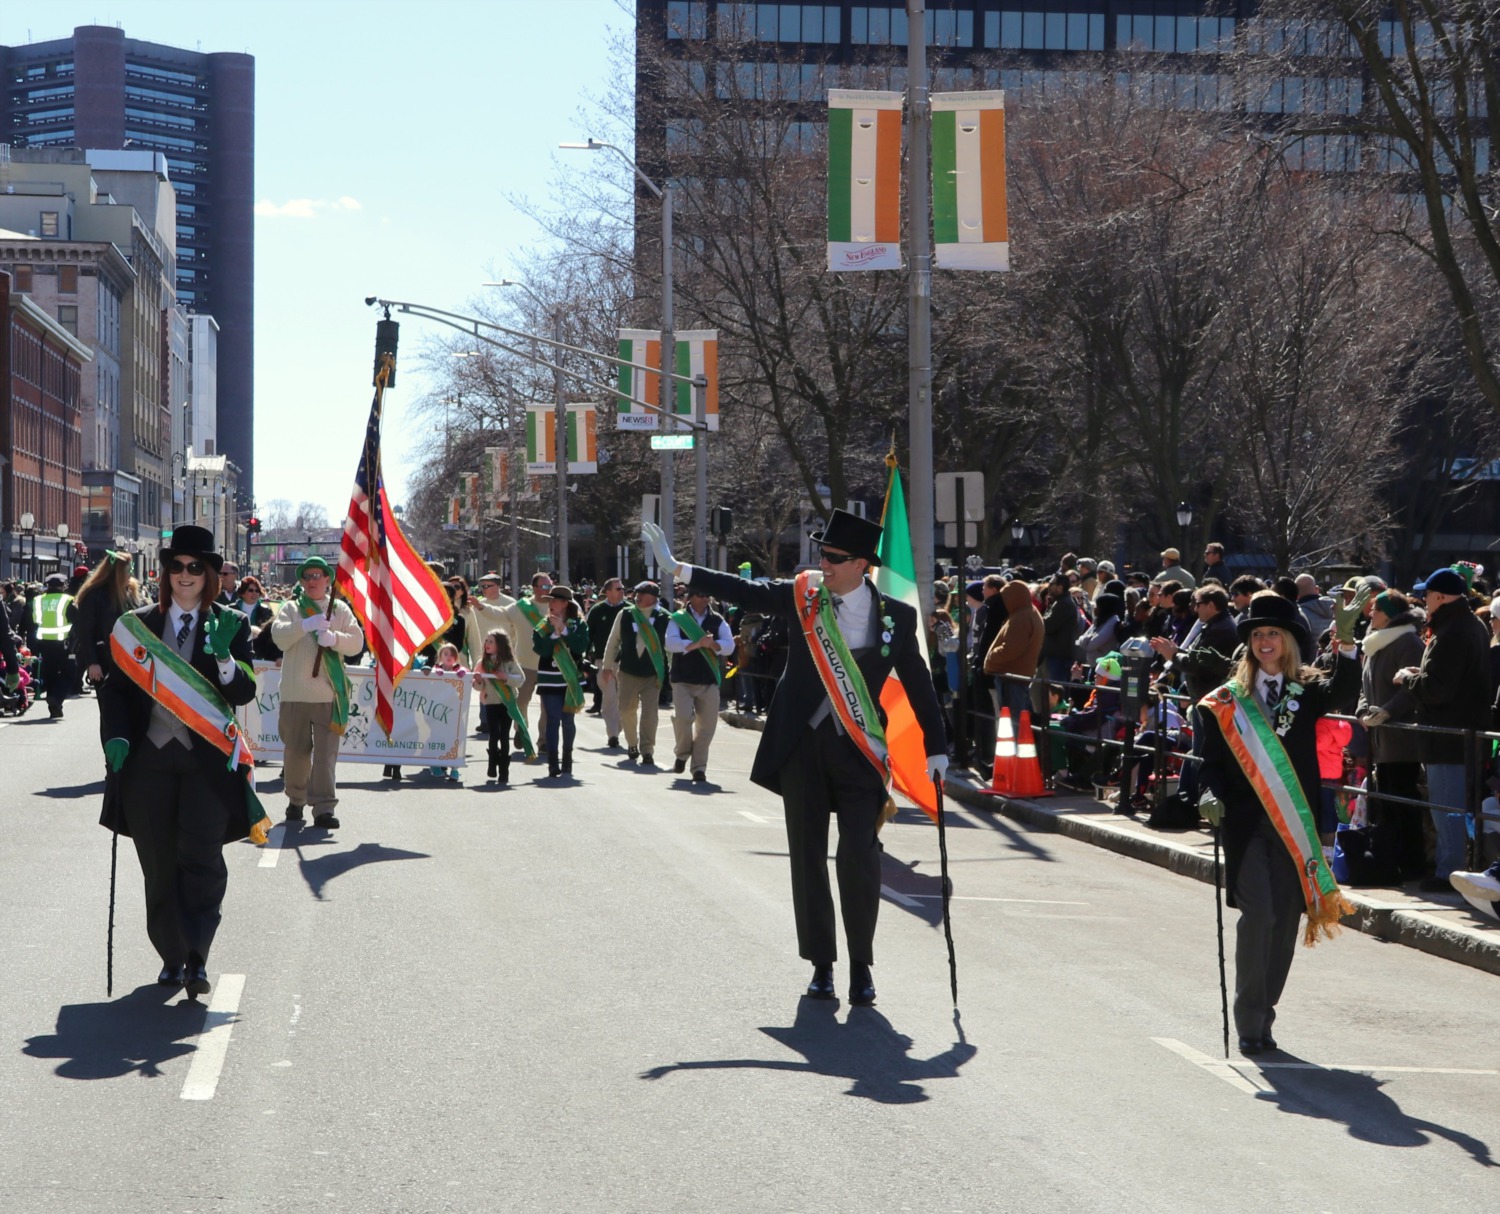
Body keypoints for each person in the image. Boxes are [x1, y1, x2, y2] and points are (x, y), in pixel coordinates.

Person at [644, 510, 948, 1007]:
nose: (822, 564)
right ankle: (822, 966)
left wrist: (937, 747)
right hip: (802, 747)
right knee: (808, 859)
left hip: (859, 750)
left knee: (860, 857)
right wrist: (679, 568)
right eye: (821, 554)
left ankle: (861, 966)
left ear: (861, 565)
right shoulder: (804, 595)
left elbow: (918, 682)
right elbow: (746, 591)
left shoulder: (897, 616)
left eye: (832, 557)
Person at [1197, 589, 1364, 1056]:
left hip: (1294, 827)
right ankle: (1249, 1021)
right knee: (1260, 917)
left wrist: (1347, 644)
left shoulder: (1306, 691)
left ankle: (1265, 1013)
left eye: (1273, 633)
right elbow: (1208, 763)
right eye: (1257, 634)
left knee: (1285, 921)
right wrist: (1208, 793)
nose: (1264, 641)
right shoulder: (1225, 702)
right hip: (1248, 827)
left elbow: (1346, 693)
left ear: (1289, 640)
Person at [98, 524, 261, 998]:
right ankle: (171, 956)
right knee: (158, 863)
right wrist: (117, 738)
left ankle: (197, 956)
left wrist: (226, 656)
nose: (184, 575)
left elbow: (244, 689)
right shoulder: (137, 626)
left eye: (195, 567)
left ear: (210, 574)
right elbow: (114, 693)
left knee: (203, 859)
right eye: (176, 567)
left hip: (205, 765)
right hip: (148, 762)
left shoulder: (230, 623)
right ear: (165, 573)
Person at [1393, 567, 1494, 891]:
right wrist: (1418, 674)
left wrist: (1408, 679)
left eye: (1427, 594)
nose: (1423, 600)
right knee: (1452, 807)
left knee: (1447, 807)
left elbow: (1438, 689)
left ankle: (1450, 873)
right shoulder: (1467, 624)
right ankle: (1453, 869)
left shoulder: (1453, 630)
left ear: (1438, 597)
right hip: (1458, 733)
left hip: (1450, 736)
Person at [270, 556, 364, 829]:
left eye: (317, 576)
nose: (312, 581)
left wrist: (334, 639)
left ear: (327, 580)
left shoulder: (340, 609)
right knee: (296, 752)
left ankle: (323, 808)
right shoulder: (292, 608)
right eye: (307, 576)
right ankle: (296, 800)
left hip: (328, 695)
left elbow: (356, 643)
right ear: (301, 581)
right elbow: (278, 636)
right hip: (295, 694)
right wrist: (306, 626)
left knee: (325, 756)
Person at [1354, 590, 1428, 882]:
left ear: (1388, 613)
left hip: (1401, 738)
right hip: (1380, 737)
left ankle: (1412, 863)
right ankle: (1390, 859)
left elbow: (1410, 689)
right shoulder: (1377, 643)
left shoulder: (1407, 641)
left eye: (1375, 610)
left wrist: (1385, 712)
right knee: (1386, 802)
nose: (1370, 614)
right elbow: (1364, 686)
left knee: (1403, 802)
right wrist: (1362, 712)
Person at [665, 585, 734, 783]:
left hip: (708, 680)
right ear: (690, 597)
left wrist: (713, 645)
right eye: (700, 595)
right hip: (683, 679)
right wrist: (697, 644)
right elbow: (670, 643)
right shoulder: (678, 618)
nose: (704, 599)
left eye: (707, 595)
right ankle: (682, 753)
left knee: (707, 727)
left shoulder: (717, 620)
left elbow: (729, 646)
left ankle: (699, 768)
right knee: (683, 719)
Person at [600, 581, 671, 766]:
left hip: (652, 673)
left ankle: (647, 750)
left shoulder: (665, 617)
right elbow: (613, 641)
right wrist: (607, 666)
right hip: (628, 671)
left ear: (653, 597)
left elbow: (670, 649)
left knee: (650, 713)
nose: (637, 596)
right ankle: (632, 744)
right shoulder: (625, 614)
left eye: (643, 593)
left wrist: (671, 672)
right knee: (626, 709)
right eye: (637, 592)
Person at [531, 585, 590, 778]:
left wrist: (564, 631)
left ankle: (567, 759)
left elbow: (581, 646)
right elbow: (541, 650)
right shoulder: (542, 625)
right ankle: (552, 762)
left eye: (555, 600)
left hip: (570, 678)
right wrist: (554, 634)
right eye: (550, 600)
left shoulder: (578, 624)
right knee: (553, 720)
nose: (551, 604)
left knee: (568, 720)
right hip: (549, 679)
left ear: (565, 603)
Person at [70, 549, 143, 691]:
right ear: (117, 572)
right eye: (128, 570)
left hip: (132, 659)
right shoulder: (93, 595)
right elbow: (86, 632)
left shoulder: (130, 594)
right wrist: (92, 662)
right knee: (109, 708)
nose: (130, 574)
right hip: (105, 660)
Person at [983, 578, 1044, 722]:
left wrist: (990, 657)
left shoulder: (1021, 618)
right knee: (1017, 717)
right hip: (1017, 675)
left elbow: (1011, 649)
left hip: (1012, 677)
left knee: (1013, 719)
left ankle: (1015, 745)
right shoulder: (1028, 613)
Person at [474, 628, 527, 782]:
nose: (487, 644)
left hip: (506, 703)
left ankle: (504, 770)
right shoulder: (482, 663)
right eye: (486, 641)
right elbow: (478, 686)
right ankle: (492, 765)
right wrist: (477, 681)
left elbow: (521, 679)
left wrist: (506, 677)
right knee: (493, 735)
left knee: (504, 736)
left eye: (491, 641)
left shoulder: (509, 662)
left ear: (501, 644)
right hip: (490, 703)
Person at [586, 577, 628, 746]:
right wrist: (583, 655)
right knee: (610, 697)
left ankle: (618, 729)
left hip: (627, 663)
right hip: (603, 662)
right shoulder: (597, 611)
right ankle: (613, 734)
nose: (622, 591)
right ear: (607, 591)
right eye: (618, 588)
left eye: (622, 588)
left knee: (625, 699)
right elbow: (588, 635)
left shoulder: (630, 610)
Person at [29, 571, 75, 718]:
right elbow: (76, 621)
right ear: (62, 586)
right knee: (70, 673)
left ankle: (54, 706)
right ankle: (56, 698)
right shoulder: (68, 600)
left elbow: (33, 622)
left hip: (43, 642)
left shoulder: (38, 600)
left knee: (50, 674)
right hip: (63, 642)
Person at [427, 642, 466, 782]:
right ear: (440, 656)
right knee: (437, 736)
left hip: (455, 712)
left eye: (452, 654)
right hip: (438, 712)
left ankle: (455, 767)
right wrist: (436, 674)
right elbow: (429, 677)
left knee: (456, 737)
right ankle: (435, 764)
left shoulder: (459, 670)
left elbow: (466, 677)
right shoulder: (436, 669)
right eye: (446, 654)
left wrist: (463, 674)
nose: (449, 657)